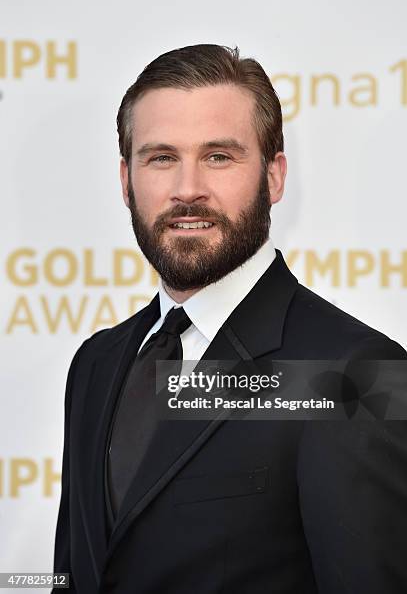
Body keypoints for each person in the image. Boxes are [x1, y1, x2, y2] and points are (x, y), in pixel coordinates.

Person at [53, 44, 407, 593]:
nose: (187, 188)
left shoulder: (353, 373)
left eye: (219, 156)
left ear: (274, 176)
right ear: (126, 180)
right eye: (161, 157)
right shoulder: (96, 364)